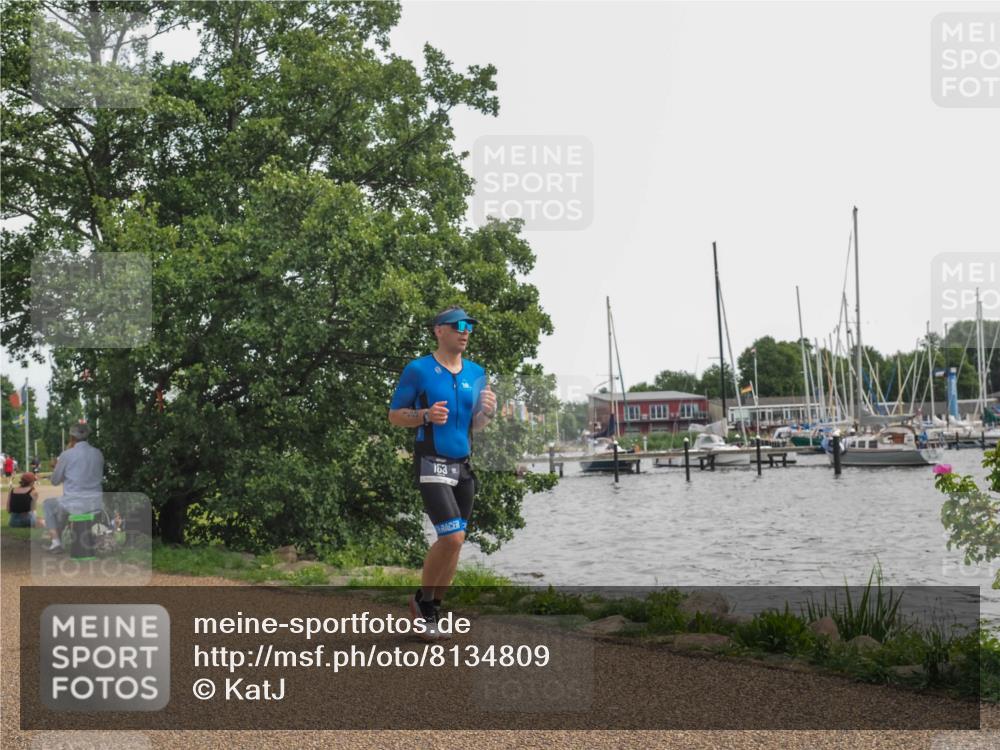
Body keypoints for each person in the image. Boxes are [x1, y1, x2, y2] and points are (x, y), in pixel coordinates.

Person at [388, 306, 497, 640]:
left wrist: (488, 414)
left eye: (470, 327)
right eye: (458, 326)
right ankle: (423, 603)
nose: (465, 332)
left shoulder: (477, 373)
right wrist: (424, 415)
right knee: (452, 536)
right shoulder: (418, 370)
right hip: (431, 461)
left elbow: (474, 424)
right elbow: (395, 416)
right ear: (438, 330)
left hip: (463, 466)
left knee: (454, 545)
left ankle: (430, 607)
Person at [43, 423, 104, 553]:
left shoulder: (67, 455)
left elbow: (55, 481)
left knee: (48, 504)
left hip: (74, 502)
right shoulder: (98, 453)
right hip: (96, 502)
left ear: (71, 437)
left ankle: (56, 542)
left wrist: (57, 468)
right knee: (63, 508)